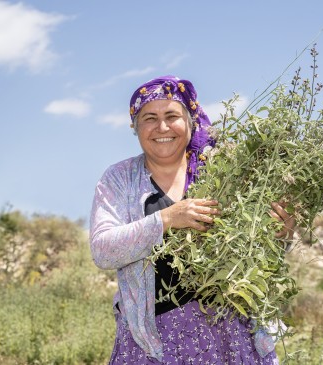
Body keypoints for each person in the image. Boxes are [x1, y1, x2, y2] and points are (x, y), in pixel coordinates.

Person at [90, 75, 294, 364]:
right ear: (135, 127)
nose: (162, 127)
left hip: (231, 334)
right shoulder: (120, 178)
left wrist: (281, 234)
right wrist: (167, 218)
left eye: (172, 115)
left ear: (190, 120)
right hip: (152, 343)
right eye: (149, 118)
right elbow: (103, 250)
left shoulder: (224, 170)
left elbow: (260, 257)